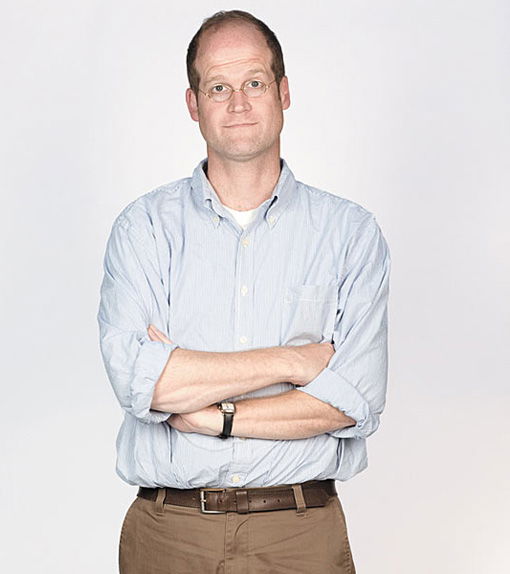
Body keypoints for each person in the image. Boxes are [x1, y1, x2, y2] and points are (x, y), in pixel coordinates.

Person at [97, 9, 391, 573]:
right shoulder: (144, 229)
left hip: (300, 534)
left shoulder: (349, 234)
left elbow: (353, 399)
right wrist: (294, 361)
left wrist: (217, 416)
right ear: (194, 104)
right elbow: (143, 382)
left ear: (283, 93)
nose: (238, 103)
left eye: (254, 82)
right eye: (218, 87)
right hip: (170, 533)